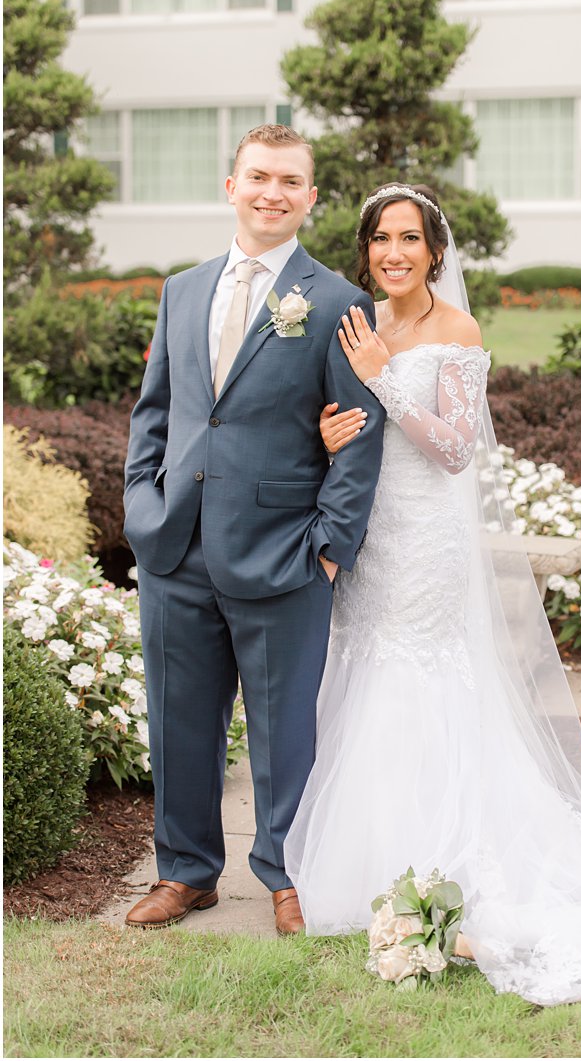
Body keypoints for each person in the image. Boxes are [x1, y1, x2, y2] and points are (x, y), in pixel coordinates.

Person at [284, 182, 581, 1006]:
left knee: (423, 676)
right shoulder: (359, 324)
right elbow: (340, 419)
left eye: (409, 238)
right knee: (364, 675)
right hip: (371, 534)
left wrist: (387, 382)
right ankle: (366, 864)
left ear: (434, 249)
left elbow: (457, 448)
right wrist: (333, 430)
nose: (394, 253)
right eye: (380, 240)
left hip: (429, 537)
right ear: (366, 251)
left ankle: (442, 860)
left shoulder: (453, 330)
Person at [122, 124, 385, 936]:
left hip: (284, 553)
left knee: (284, 727)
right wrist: (142, 508)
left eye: (290, 181)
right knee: (180, 719)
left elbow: (359, 430)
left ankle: (286, 871)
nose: (273, 192)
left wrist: (331, 551)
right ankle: (186, 871)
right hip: (176, 547)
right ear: (230, 185)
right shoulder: (183, 289)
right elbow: (157, 413)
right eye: (259, 177)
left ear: (311, 197)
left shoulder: (337, 300)